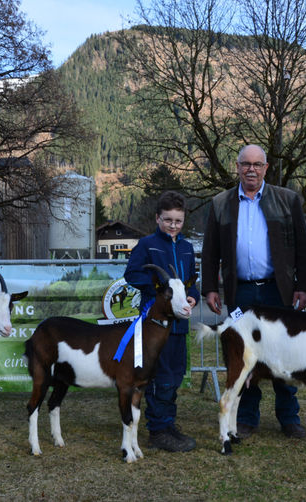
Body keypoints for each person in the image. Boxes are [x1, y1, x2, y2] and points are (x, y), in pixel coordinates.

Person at [201, 144, 306, 440]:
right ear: (236, 167)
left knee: (284, 354)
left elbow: (303, 246)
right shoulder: (221, 203)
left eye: (257, 164)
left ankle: (289, 417)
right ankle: (248, 417)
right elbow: (210, 251)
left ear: (266, 168)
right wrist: (210, 287)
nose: (251, 169)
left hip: (279, 291)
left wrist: (304, 286)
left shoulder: (288, 200)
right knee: (243, 355)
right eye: (245, 164)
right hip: (242, 294)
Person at [124, 191, 200, 452]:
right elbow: (131, 274)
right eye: (168, 220)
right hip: (155, 327)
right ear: (158, 218)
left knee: (175, 375)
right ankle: (157, 430)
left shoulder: (188, 247)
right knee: (160, 377)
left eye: (178, 221)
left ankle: (168, 425)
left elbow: (191, 283)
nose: (173, 226)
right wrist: (160, 289)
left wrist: (192, 297)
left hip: (179, 327)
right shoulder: (147, 245)